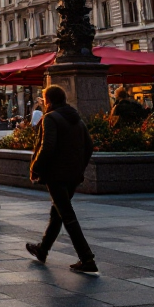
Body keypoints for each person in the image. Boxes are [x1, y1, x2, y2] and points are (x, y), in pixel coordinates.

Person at [26, 85, 97, 274]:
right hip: (73, 174)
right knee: (57, 213)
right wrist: (79, 166)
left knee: (66, 215)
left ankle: (87, 258)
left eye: (44, 99)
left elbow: (47, 146)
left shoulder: (50, 118)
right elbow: (89, 145)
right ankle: (42, 250)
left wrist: (35, 167)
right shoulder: (76, 119)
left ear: (49, 100)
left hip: (56, 174)